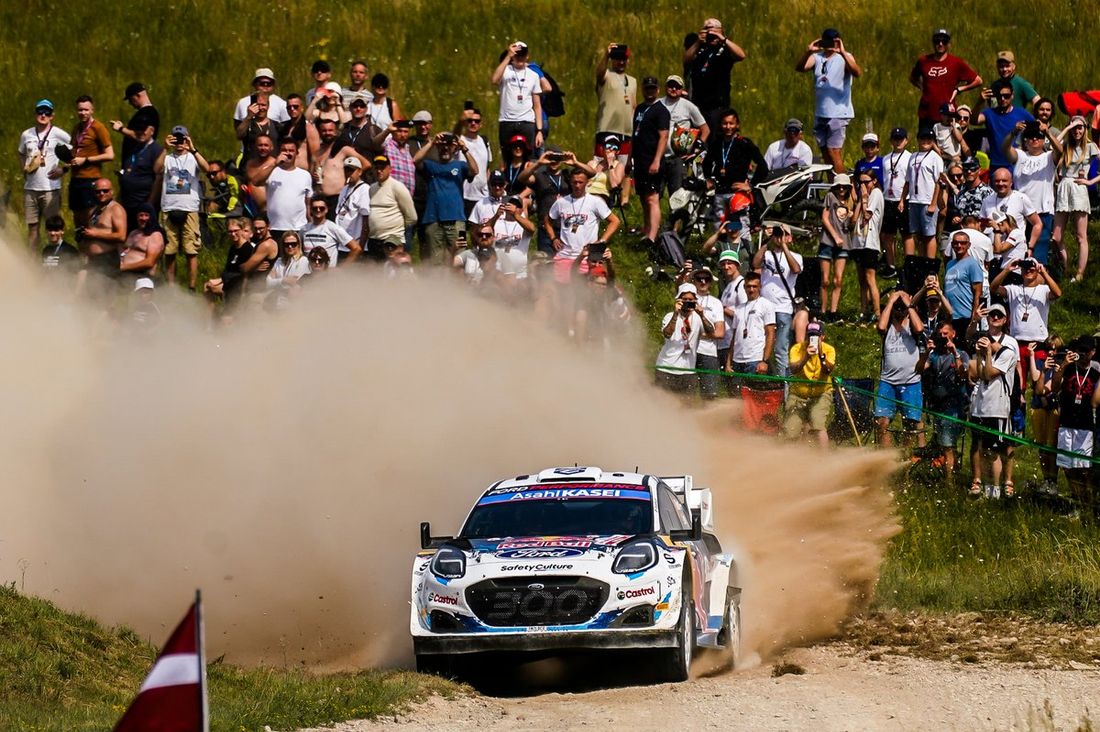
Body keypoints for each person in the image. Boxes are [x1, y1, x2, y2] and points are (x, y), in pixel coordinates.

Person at [967, 303, 1020, 498]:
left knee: (997, 449)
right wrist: (982, 354)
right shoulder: (984, 346)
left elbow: (989, 374)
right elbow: (978, 373)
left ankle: (997, 488)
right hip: (981, 405)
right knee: (984, 448)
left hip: (998, 406)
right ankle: (987, 486)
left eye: (999, 315)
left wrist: (988, 352)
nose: (995, 318)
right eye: (992, 315)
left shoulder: (1009, 350)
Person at [795, 28, 862, 174]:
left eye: (834, 41)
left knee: (834, 151)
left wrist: (842, 52)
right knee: (826, 154)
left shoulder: (846, 57)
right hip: (821, 112)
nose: (830, 44)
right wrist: (809, 51)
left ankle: (845, 187)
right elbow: (800, 68)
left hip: (838, 112)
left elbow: (857, 72)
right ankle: (834, 188)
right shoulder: (817, 57)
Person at [155, 126, 209, 290]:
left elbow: (207, 169)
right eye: (176, 139)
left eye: (182, 138)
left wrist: (193, 149)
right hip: (169, 207)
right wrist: (164, 148)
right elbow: (156, 169)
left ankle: (191, 287)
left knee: (191, 250)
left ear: (188, 138)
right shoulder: (168, 157)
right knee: (169, 251)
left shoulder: (193, 158)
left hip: (189, 208)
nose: (179, 142)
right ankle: (171, 287)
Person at [1050, 338, 1100, 515]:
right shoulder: (1069, 368)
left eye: (1086, 351)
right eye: (1080, 350)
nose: (1082, 354)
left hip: (1085, 427)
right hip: (1066, 423)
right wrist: (1063, 365)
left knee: (1083, 468)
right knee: (1067, 466)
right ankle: (1077, 502)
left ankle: (1087, 504)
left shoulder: (1096, 374)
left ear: (1092, 352)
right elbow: (1054, 388)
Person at [545, 167, 620, 283]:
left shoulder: (595, 202)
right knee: (561, 291)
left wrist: (602, 241)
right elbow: (547, 220)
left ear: (587, 183)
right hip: (564, 255)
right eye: (574, 182)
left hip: (586, 257)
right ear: (570, 182)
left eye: (580, 182)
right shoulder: (561, 202)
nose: (577, 185)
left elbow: (615, 221)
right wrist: (553, 238)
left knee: (583, 291)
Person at [414, 132, 478, 263]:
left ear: (455, 148)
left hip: (458, 220)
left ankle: (458, 283)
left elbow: (475, 170)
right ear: (438, 147)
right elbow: (415, 160)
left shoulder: (460, 165)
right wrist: (431, 143)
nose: (446, 148)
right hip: (433, 220)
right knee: (435, 260)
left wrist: (464, 148)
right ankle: (439, 283)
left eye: (449, 145)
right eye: (442, 145)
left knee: (460, 257)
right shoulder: (430, 165)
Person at [1003, 120, 1061, 265]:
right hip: (1019, 213)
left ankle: (1040, 284)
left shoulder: (1049, 157)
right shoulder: (1020, 155)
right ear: (1025, 140)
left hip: (1042, 211)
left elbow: (1060, 151)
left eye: (1038, 136)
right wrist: (1013, 133)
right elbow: (1004, 149)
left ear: (1044, 140)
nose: (1035, 139)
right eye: (1030, 136)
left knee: (1038, 255)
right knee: (1017, 251)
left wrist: (1047, 132)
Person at [875, 289, 927, 447]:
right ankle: (887, 459)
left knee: (910, 425)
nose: (900, 309)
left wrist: (909, 304)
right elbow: (880, 327)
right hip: (888, 382)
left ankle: (906, 458)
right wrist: (891, 301)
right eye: (897, 307)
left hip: (911, 382)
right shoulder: (888, 325)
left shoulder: (912, 324)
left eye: (901, 307)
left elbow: (920, 329)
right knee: (881, 423)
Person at [19, 99, 70, 249]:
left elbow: (75, 151)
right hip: (30, 189)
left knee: (53, 229)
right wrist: (24, 169)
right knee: (32, 228)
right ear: (35, 113)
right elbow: (20, 152)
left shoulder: (58, 133)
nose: (43, 115)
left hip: (50, 189)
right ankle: (34, 265)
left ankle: (54, 260)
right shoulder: (26, 134)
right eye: (40, 111)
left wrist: (64, 169)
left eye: (47, 112)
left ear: (52, 115)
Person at [909, 28, 982, 135]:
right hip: (926, 113)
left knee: (946, 148)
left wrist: (959, 89)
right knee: (926, 147)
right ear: (933, 42)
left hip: (947, 114)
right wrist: (921, 87)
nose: (940, 44)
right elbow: (912, 77)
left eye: (944, 41)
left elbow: (978, 80)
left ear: (949, 44)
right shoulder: (923, 61)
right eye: (937, 41)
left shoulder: (956, 63)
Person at [921, 321, 971, 477]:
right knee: (945, 445)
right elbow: (919, 369)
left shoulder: (961, 354)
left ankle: (949, 482)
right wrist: (926, 352)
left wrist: (954, 352)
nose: (943, 337)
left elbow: (963, 374)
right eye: (940, 334)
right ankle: (951, 475)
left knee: (948, 445)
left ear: (953, 334)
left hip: (955, 405)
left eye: (945, 333)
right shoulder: (934, 355)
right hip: (938, 405)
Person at [703, 109, 767, 228]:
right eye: (725, 123)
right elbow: (706, 163)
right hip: (720, 193)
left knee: (738, 229)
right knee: (719, 230)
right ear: (720, 125)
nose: (728, 127)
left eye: (731, 123)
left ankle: (743, 247)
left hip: (738, 194)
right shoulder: (717, 143)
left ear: (737, 125)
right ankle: (722, 247)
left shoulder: (745, 143)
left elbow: (763, 166)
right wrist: (708, 179)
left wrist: (751, 185)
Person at [752, 224, 802, 377]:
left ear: (790, 237)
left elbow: (795, 269)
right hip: (765, 306)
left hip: (783, 308)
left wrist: (784, 246)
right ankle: (764, 380)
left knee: (781, 349)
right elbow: (755, 264)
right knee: (761, 346)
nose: (781, 237)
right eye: (779, 234)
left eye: (785, 234)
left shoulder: (796, 256)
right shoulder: (767, 254)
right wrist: (768, 241)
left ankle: (784, 384)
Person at [1054, 116, 1098, 282]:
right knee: (1056, 237)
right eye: (1074, 128)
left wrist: (1091, 181)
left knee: (1081, 235)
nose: (1077, 131)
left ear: (1085, 129)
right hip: (1064, 187)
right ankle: (1065, 269)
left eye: (1080, 127)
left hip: (1079, 189)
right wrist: (1067, 128)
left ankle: (1079, 273)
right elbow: (1052, 143)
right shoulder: (1065, 146)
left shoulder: (1091, 147)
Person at [631, 77, 671, 246]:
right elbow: (635, 134)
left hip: (652, 159)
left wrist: (656, 160)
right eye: (647, 88)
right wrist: (629, 160)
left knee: (652, 198)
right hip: (639, 159)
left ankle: (653, 236)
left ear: (658, 90)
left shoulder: (661, 110)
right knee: (642, 196)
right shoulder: (639, 108)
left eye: (652, 89)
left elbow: (663, 136)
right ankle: (646, 228)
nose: (649, 91)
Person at [683, 17, 747, 125]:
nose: (710, 32)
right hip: (698, 103)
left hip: (718, 105)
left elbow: (741, 55)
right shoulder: (699, 48)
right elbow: (686, 60)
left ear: (721, 30)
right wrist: (698, 42)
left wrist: (722, 38)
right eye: (707, 29)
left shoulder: (724, 49)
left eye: (713, 29)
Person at [991, 257, 1061, 350]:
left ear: (1037, 271)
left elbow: (1058, 293)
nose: (1028, 271)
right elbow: (993, 288)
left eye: (1032, 269)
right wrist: (1007, 270)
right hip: (1016, 342)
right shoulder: (1013, 289)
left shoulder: (1044, 290)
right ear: (1021, 271)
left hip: (1038, 342)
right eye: (1025, 269)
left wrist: (1043, 272)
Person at [785, 320, 836, 447]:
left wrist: (821, 356)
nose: (812, 338)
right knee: (791, 430)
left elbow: (828, 370)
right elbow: (793, 369)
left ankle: (825, 459)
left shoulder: (829, 350)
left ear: (822, 337)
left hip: (821, 393)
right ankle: (790, 459)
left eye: (816, 336)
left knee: (817, 423)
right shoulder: (797, 348)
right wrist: (806, 357)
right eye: (810, 335)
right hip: (798, 394)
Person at [67, 95, 115, 226]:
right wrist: (64, 167)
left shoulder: (98, 128)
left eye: (86, 110)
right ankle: (81, 246)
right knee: (77, 219)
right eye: (80, 110)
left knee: (90, 218)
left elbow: (110, 155)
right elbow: (73, 153)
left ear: (92, 110)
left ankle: (91, 245)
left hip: (90, 179)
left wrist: (86, 160)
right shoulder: (76, 128)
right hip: (75, 178)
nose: (83, 113)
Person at [656, 283, 712, 394]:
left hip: (688, 370)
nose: (687, 302)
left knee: (687, 406)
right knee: (662, 404)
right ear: (679, 300)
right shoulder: (670, 316)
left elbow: (711, 331)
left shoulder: (698, 317)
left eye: (690, 300)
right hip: (667, 368)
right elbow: (667, 334)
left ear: (695, 301)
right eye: (684, 299)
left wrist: (702, 315)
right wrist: (676, 314)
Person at [77, 178, 127, 300]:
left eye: (105, 191)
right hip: (94, 261)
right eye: (98, 191)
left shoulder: (116, 209)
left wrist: (95, 234)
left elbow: (121, 235)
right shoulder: (96, 210)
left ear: (112, 191)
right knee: (93, 297)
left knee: (105, 298)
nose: (101, 194)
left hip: (107, 260)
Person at [255, 138, 313, 242]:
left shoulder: (305, 175)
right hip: (275, 227)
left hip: (298, 227)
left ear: (297, 153)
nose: (288, 153)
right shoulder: (271, 171)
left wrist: (311, 223)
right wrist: (274, 164)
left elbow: (307, 203)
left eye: (291, 150)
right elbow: (256, 181)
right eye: (284, 150)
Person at [659, 75, 709, 195]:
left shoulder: (688, 106)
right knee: (654, 195)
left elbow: (705, 129)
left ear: (681, 89)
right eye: (671, 86)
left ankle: (676, 214)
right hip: (659, 157)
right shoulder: (658, 103)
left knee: (677, 195)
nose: (674, 89)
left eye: (677, 87)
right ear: (666, 87)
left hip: (678, 158)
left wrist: (695, 151)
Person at [491, 41, 544, 154]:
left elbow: (537, 105)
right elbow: (494, 80)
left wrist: (539, 130)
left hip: (527, 122)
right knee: (507, 156)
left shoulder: (533, 75)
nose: (520, 58)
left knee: (527, 158)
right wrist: (508, 57)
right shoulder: (505, 71)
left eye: (522, 55)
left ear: (527, 56)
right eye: (517, 55)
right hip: (507, 121)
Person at [980, 168, 1042, 262]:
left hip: (1014, 255)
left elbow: (1037, 224)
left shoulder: (1021, 198)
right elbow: (981, 227)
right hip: (993, 254)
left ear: (1011, 182)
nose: (1000, 184)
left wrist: (1031, 247)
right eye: (997, 181)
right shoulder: (987, 200)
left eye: (1004, 180)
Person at [725, 271, 776, 383]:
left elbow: (770, 334)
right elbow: (734, 337)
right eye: (748, 286)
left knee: (753, 396)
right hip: (737, 360)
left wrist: (765, 361)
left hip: (755, 359)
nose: (751, 289)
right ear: (744, 287)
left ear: (760, 287)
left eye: (754, 286)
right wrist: (728, 362)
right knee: (736, 396)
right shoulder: (739, 308)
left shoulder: (766, 304)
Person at [976, 78, 1034, 172]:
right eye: (999, 96)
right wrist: (979, 102)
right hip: (995, 165)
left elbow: (1036, 129)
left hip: (1017, 164)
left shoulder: (1022, 113)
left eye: (1006, 96)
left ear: (1012, 96)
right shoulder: (989, 113)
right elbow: (974, 121)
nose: (1002, 99)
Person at [903, 129, 945, 259]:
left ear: (932, 142)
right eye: (923, 138)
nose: (925, 142)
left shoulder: (935, 158)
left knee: (929, 235)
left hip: (927, 201)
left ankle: (930, 262)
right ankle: (921, 260)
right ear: (918, 139)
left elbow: (939, 182)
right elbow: (908, 180)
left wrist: (933, 204)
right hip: (914, 200)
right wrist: (902, 200)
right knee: (918, 235)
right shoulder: (913, 156)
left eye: (929, 139)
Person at [819, 174, 854, 320]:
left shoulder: (849, 202)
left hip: (843, 242)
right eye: (839, 186)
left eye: (844, 187)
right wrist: (835, 236)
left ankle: (833, 311)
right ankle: (822, 310)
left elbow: (850, 225)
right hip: (828, 241)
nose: (841, 189)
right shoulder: (830, 197)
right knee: (825, 279)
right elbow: (825, 218)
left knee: (838, 279)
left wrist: (852, 217)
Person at [367, 155, 417, 255]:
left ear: (389, 169)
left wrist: (396, 230)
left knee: (393, 270)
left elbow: (412, 217)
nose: (379, 171)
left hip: (392, 241)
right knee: (373, 270)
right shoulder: (371, 188)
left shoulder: (397, 187)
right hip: (374, 240)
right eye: (376, 168)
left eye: (382, 168)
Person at [594, 42, 636, 161]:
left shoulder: (633, 81)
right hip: (607, 129)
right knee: (601, 166)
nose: (621, 62)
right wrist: (606, 56)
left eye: (624, 59)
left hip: (626, 132)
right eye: (618, 59)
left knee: (622, 170)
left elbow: (633, 105)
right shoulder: (607, 75)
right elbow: (599, 73)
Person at [879, 127, 912, 278]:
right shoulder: (886, 159)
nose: (898, 142)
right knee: (888, 235)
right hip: (888, 199)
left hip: (904, 199)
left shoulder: (910, 158)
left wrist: (903, 200)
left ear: (906, 140)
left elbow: (910, 180)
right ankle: (890, 265)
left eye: (901, 139)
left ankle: (909, 265)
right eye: (895, 139)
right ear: (891, 140)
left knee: (906, 234)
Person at [851, 171, 883, 323]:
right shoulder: (864, 197)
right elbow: (854, 220)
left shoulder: (876, 193)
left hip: (870, 243)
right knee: (861, 280)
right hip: (858, 242)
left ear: (874, 181)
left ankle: (877, 313)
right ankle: (863, 311)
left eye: (866, 182)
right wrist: (859, 200)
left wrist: (864, 198)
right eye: (860, 183)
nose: (863, 186)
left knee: (870, 278)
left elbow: (867, 216)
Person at [690, 267, 726, 400]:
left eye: (706, 279)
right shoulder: (687, 298)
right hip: (688, 352)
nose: (703, 282)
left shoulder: (716, 303)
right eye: (699, 279)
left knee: (710, 395)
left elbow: (720, 332)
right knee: (686, 394)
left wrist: (698, 334)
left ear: (711, 282)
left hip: (708, 352)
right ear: (694, 281)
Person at [943, 232, 984, 337]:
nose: (959, 246)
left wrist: (974, 317)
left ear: (968, 245)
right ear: (952, 245)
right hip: (950, 316)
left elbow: (978, 292)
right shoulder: (949, 264)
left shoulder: (972, 264)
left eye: (963, 243)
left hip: (965, 316)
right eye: (956, 243)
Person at [110, 82, 160, 164]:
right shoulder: (149, 112)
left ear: (137, 95)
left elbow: (141, 136)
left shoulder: (147, 112)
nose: (130, 103)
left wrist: (121, 129)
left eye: (130, 99)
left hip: (137, 165)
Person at [302, 198, 361, 266]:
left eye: (321, 208)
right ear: (311, 210)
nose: (318, 210)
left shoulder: (333, 228)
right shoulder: (304, 229)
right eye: (315, 208)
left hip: (328, 274)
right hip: (309, 273)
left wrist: (343, 269)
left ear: (326, 209)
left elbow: (356, 248)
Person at [456, 108, 493, 216]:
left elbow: (487, 168)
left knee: (481, 230)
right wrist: (459, 122)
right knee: (462, 231)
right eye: (470, 120)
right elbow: (454, 136)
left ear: (481, 124)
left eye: (477, 121)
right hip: (464, 194)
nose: (473, 123)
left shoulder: (484, 141)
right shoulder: (460, 140)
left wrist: (490, 190)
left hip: (483, 195)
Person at [334, 157, 372, 256]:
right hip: (341, 243)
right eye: (346, 170)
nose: (349, 173)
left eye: (352, 170)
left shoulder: (364, 189)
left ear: (359, 172)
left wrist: (361, 247)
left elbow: (366, 219)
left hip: (355, 244)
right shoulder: (344, 189)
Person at [716, 250, 748, 370]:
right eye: (723, 264)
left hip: (733, 341)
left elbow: (744, 315)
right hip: (725, 340)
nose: (726, 266)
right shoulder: (729, 285)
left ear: (737, 265)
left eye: (729, 263)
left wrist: (722, 309)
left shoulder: (741, 285)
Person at [119, 204, 165, 284]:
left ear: (152, 217)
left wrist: (123, 267)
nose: (143, 218)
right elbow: (124, 250)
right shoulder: (133, 233)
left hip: (142, 277)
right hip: (125, 274)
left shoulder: (155, 235)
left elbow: (149, 262)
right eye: (141, 215)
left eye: (146, 215)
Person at [266, 231, 311, 310]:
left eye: (293, 244)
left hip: (295, 307)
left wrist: (276, 282)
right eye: (286, 244)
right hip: (279, 304)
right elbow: (267, 283)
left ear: (298, 244)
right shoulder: (279, 261)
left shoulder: (303, 261)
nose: (290, 246)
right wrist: (283, 281)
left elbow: (294, 284)